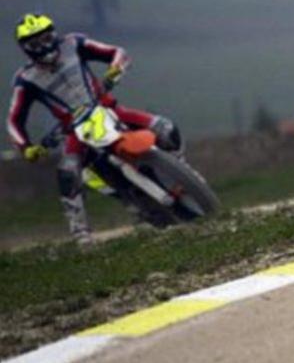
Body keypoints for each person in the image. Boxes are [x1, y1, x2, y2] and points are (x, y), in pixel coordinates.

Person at [7, 14, 181, 242]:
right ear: (26, 49)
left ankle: (185, 174)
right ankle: (81, 234)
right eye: (35, 44)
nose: (45, 46)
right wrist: (26, 147)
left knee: (166, 128)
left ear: (55, 34)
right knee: (67, 173)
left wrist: (115, 69)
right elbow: (14, 120)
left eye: (47, 38)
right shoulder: (25, 79)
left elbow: (116, 52)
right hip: (74, 130)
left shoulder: (74, 43)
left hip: (107, 108)